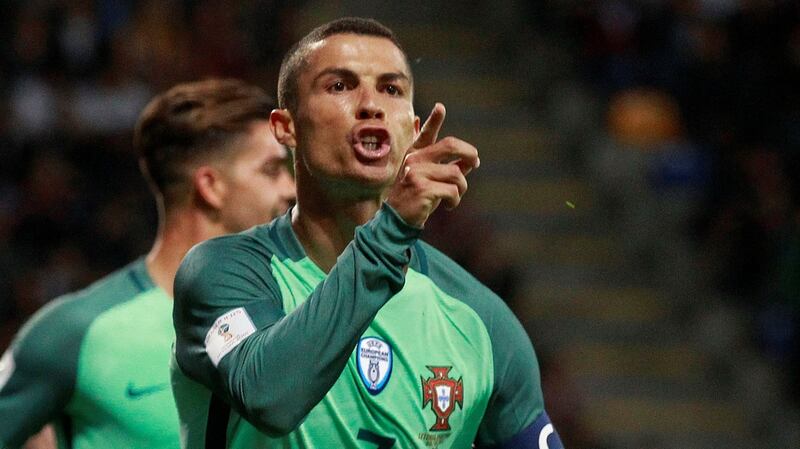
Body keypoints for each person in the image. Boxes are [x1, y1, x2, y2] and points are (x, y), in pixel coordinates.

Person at [172, 17, 563, 449]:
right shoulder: (224, 273)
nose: (370, 104)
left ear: (412, 132)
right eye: (339, 86)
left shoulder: (481, 321)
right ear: (287, 127)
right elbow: (269, 398)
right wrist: (392, 229)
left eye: (391, 89)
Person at [0, 78, 296, 449]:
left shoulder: (300, 316)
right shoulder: (75, 333)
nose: (291, 189)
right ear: (211, 186)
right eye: (272, 170)